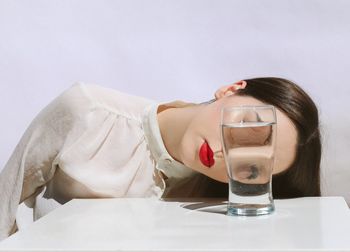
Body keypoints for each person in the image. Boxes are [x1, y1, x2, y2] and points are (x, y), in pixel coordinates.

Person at [0, 77, 321, 240]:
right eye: (245, 125)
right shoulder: (88, 111)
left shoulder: (218, 206)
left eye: (252, 168)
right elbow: (5, 203)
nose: (228, 153)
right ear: (231, 89)